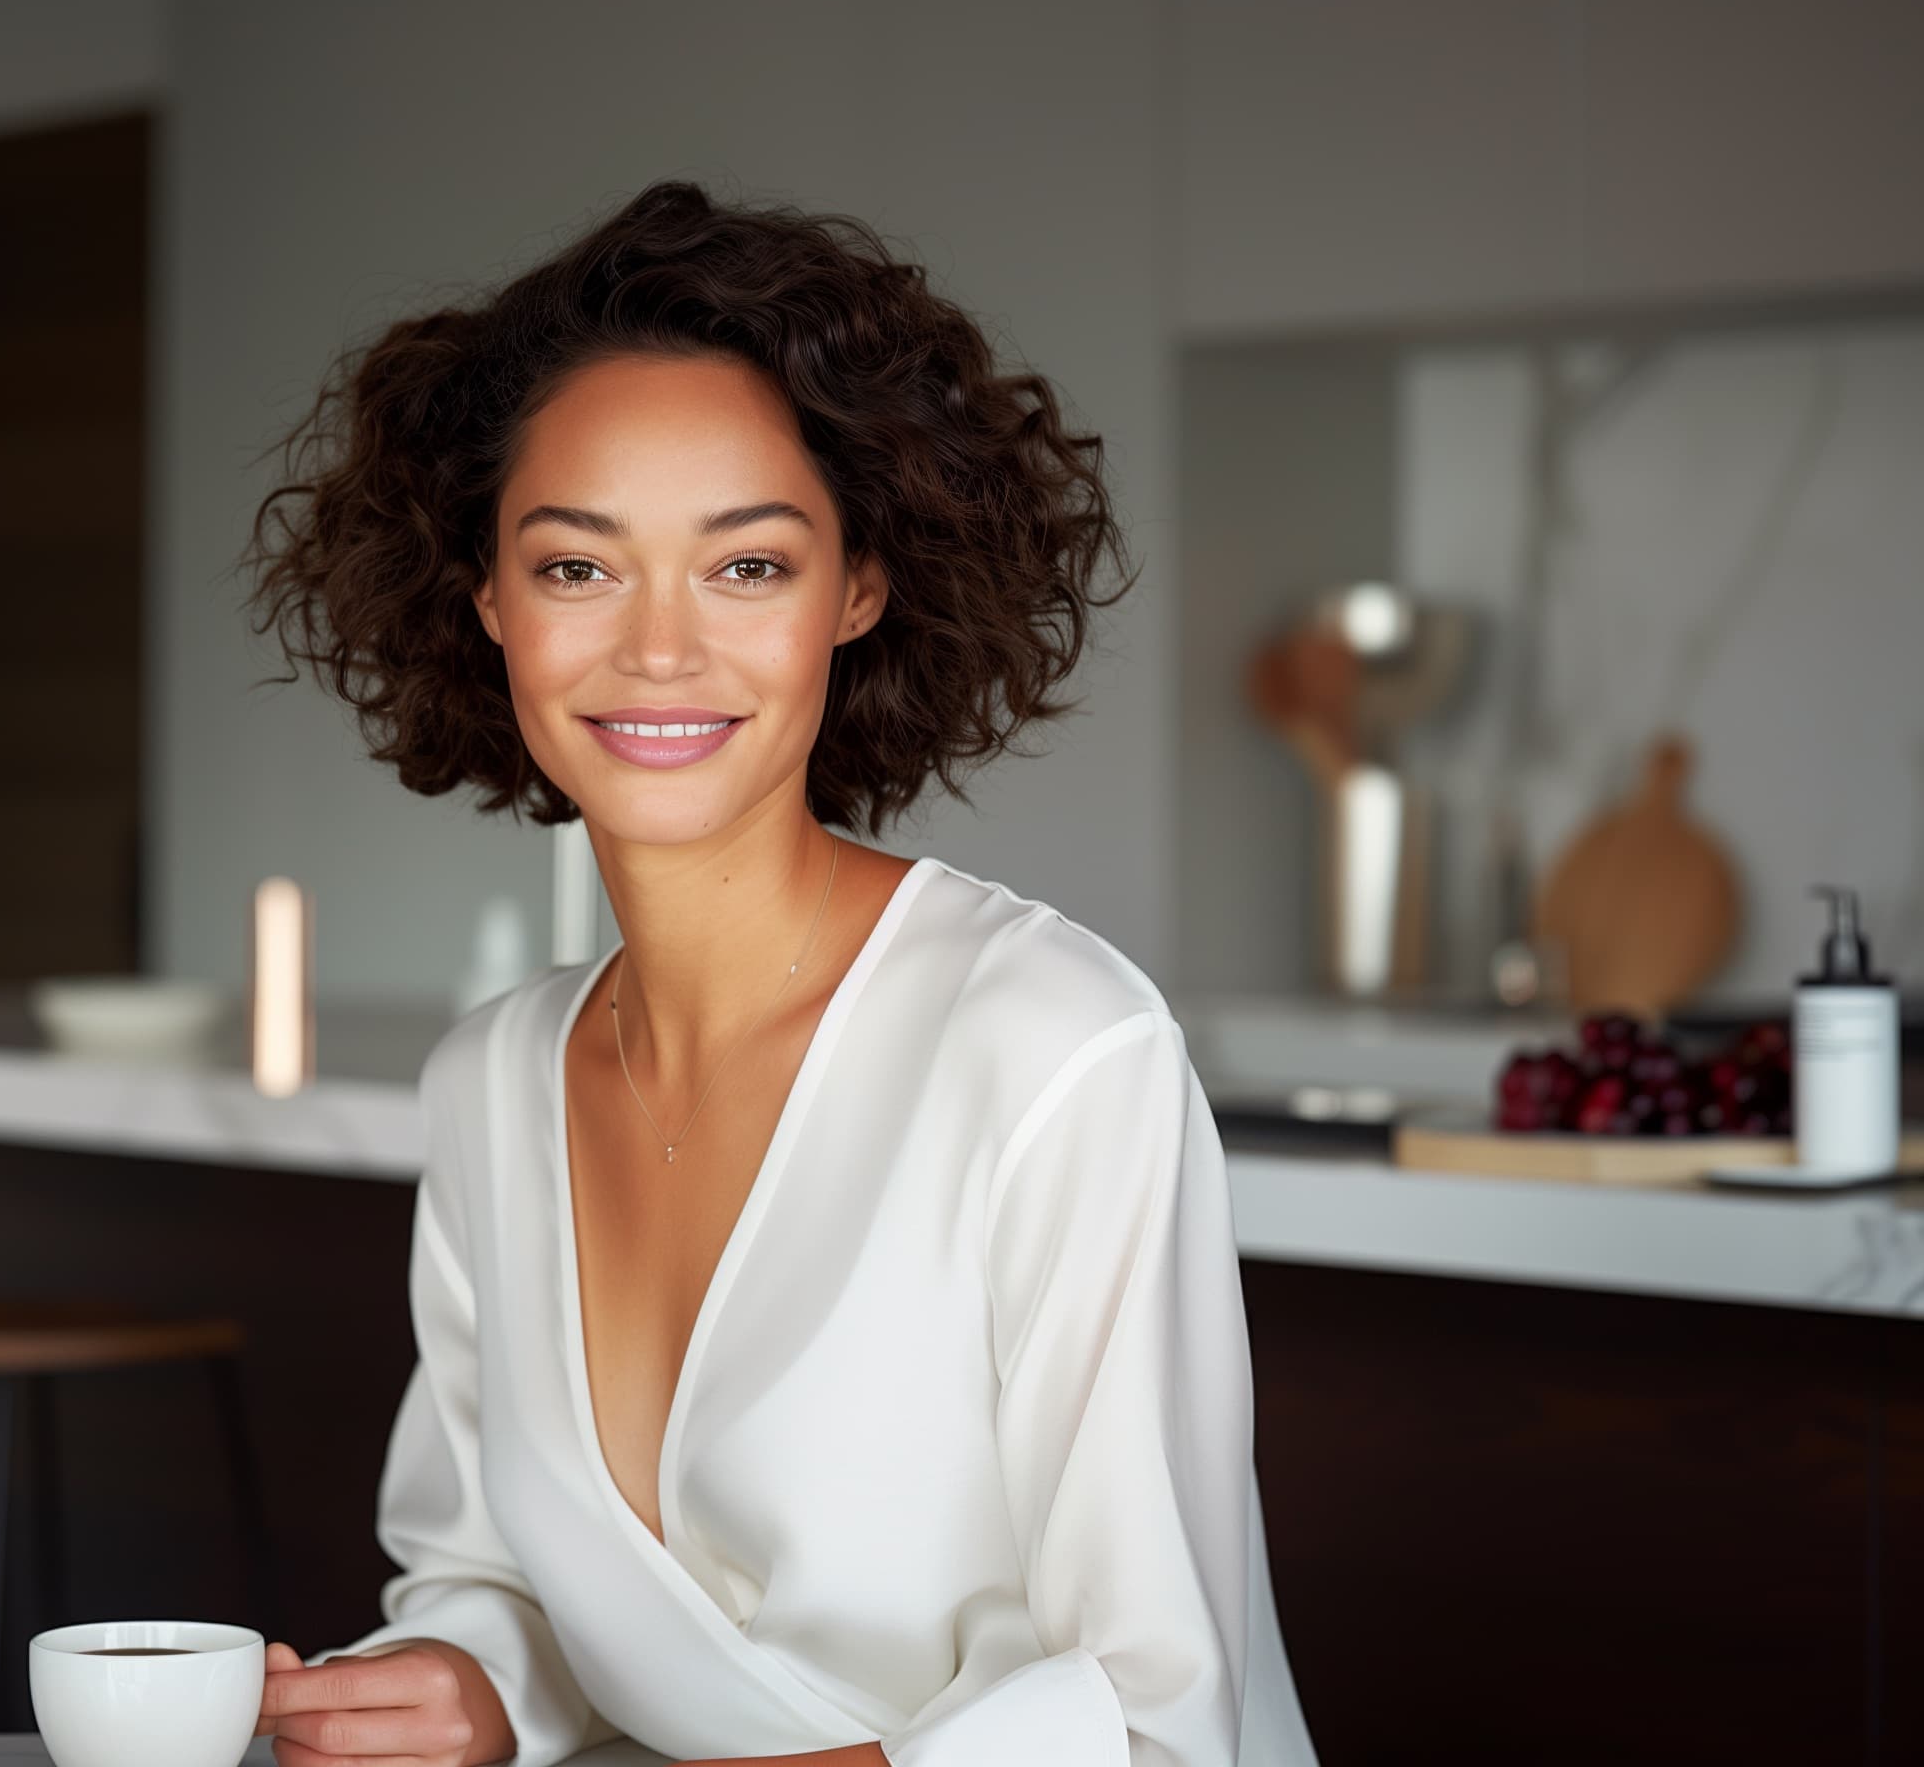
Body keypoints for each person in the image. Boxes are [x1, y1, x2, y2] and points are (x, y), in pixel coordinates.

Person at [237, 179, 1319, 1767]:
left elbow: (1158, 1715)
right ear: (486, 601)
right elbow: (489, 1573)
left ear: (858, 589)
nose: (659, 650)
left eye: (746, 566)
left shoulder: (1053, 1051)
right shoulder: (491, 1086)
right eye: (577, 567)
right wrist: (474, 1683)